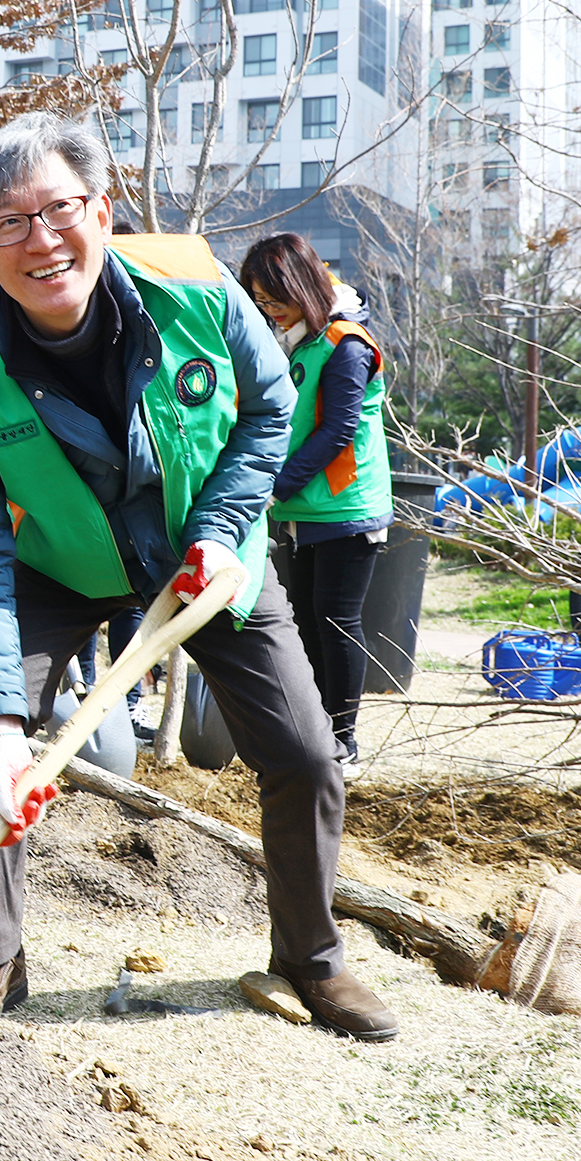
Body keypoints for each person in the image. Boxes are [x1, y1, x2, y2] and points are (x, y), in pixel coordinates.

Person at [0, 112, 396, 1040]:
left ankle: (312, 957)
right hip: (53, 562)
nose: (39, 241)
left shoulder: (196, 287)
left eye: (58, 209)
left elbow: (269, 411)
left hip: (205, 555)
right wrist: (3, 724)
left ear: (102, 209)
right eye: (4, 225)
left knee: (304, 753)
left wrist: (222, 532)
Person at [238, 233, 392, 773]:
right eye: (260, 302)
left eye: (275, 300)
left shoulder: (346, 344)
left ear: (302, 287)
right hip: (304, 508)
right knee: (304, 621)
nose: (269, 311)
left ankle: (345, 741)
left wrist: (274, 485)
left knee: (338, 623)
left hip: (347, 508)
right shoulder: (302, 341)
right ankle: (317, 733)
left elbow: (336, 434)